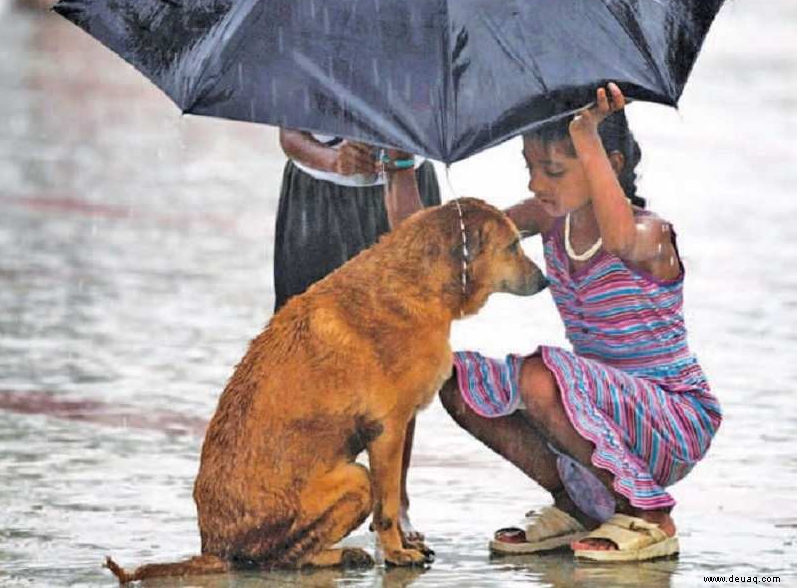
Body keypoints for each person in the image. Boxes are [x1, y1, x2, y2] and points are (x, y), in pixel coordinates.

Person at [438, 83, 722, 562]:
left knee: (540, 376)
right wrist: (400, 167)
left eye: (553, 170)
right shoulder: (550, 219)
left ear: (607, 165)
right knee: (449, 378)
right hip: (589, 417)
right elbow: (461, 239)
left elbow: (618, 240)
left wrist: (586, 132)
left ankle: (649, 514)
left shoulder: (649, 233)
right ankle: (577, 504)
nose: (536, 185)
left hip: (670, 418)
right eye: (530, 168)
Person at [276, 130, 441, 539]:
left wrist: (400, 156)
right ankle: (311, 495)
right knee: (311, 353)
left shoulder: (418, 64)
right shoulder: (309, 62)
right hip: (318, 197)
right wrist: (332, 160)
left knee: (402, 354)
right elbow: (290, 134)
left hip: (406, 184)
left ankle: (394, 499)